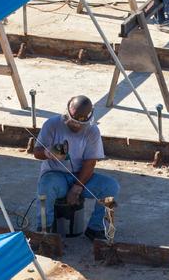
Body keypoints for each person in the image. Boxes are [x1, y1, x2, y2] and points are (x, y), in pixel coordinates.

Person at [33, 95, 120, 241]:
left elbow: (90, 163)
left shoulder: (92, 131)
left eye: (82, 122)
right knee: (45, 190)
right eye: (74, 121)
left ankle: (96, 228)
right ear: (67, 113)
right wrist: (48, 153)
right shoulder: (52, 124)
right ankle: (43, 230)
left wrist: (77, 187)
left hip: (82, 176)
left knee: (111, 188)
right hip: (55, 175)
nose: (77, 125)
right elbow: (37, 153)